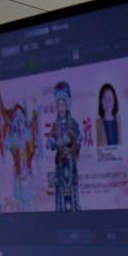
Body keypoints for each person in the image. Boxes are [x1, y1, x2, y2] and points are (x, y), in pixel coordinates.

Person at [48, 81, 82, 211]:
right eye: (58, 105)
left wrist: (70, 143)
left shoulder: (73, 123)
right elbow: (50, 143)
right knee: (61, 192)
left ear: (67, 105)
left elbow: (79, 137)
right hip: (60, 165)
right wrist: (56, 143)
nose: (61, 108)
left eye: (63, 104)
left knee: (71, 190)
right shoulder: (55, 125)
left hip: (70, 164)